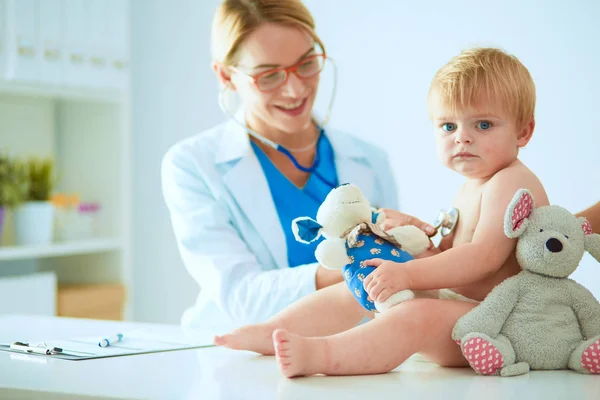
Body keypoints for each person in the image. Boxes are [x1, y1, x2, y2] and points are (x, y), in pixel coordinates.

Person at [214, 47, 551, 377]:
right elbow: (452, 257)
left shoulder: (511, 182)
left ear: (523, 131)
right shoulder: (472, 185)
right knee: (358, 285)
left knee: (415, 315)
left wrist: (406, 274)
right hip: (466, 305)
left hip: (502, 323)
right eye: (448, 126)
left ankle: (321, 355)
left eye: (483, 125)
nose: (462, 138)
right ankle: (270, 331)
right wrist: (417, 244)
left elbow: (483, 259)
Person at [161, 0, 434, 334]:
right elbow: (242, 297)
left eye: (306, 64)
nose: (295, 89)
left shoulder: (370, 160)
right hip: (238, 357)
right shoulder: (192, 165)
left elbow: (390, 293)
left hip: (353, 351)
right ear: (226, 76)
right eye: (269, 75)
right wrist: (372, 254)